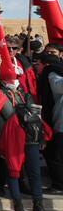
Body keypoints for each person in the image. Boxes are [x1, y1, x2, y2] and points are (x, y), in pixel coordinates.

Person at [0, 54, 50, 211]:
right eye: (11, 78)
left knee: (34, 172)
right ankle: (18, 204)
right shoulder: (2, 95)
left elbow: (36, 118)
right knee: (13, 171)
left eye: (16, 77)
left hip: (30, 138)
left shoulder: (25, 95)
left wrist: (42, 136)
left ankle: (38, 204)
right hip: (12, 139)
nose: (14, 80)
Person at [37, 54, 63, 193]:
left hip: (59, 124)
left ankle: (58, 185)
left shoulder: (51, 74)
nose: (37, 67)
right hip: (57, 122)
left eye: (38, 64)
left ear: (45, 65)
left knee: (55, 155)